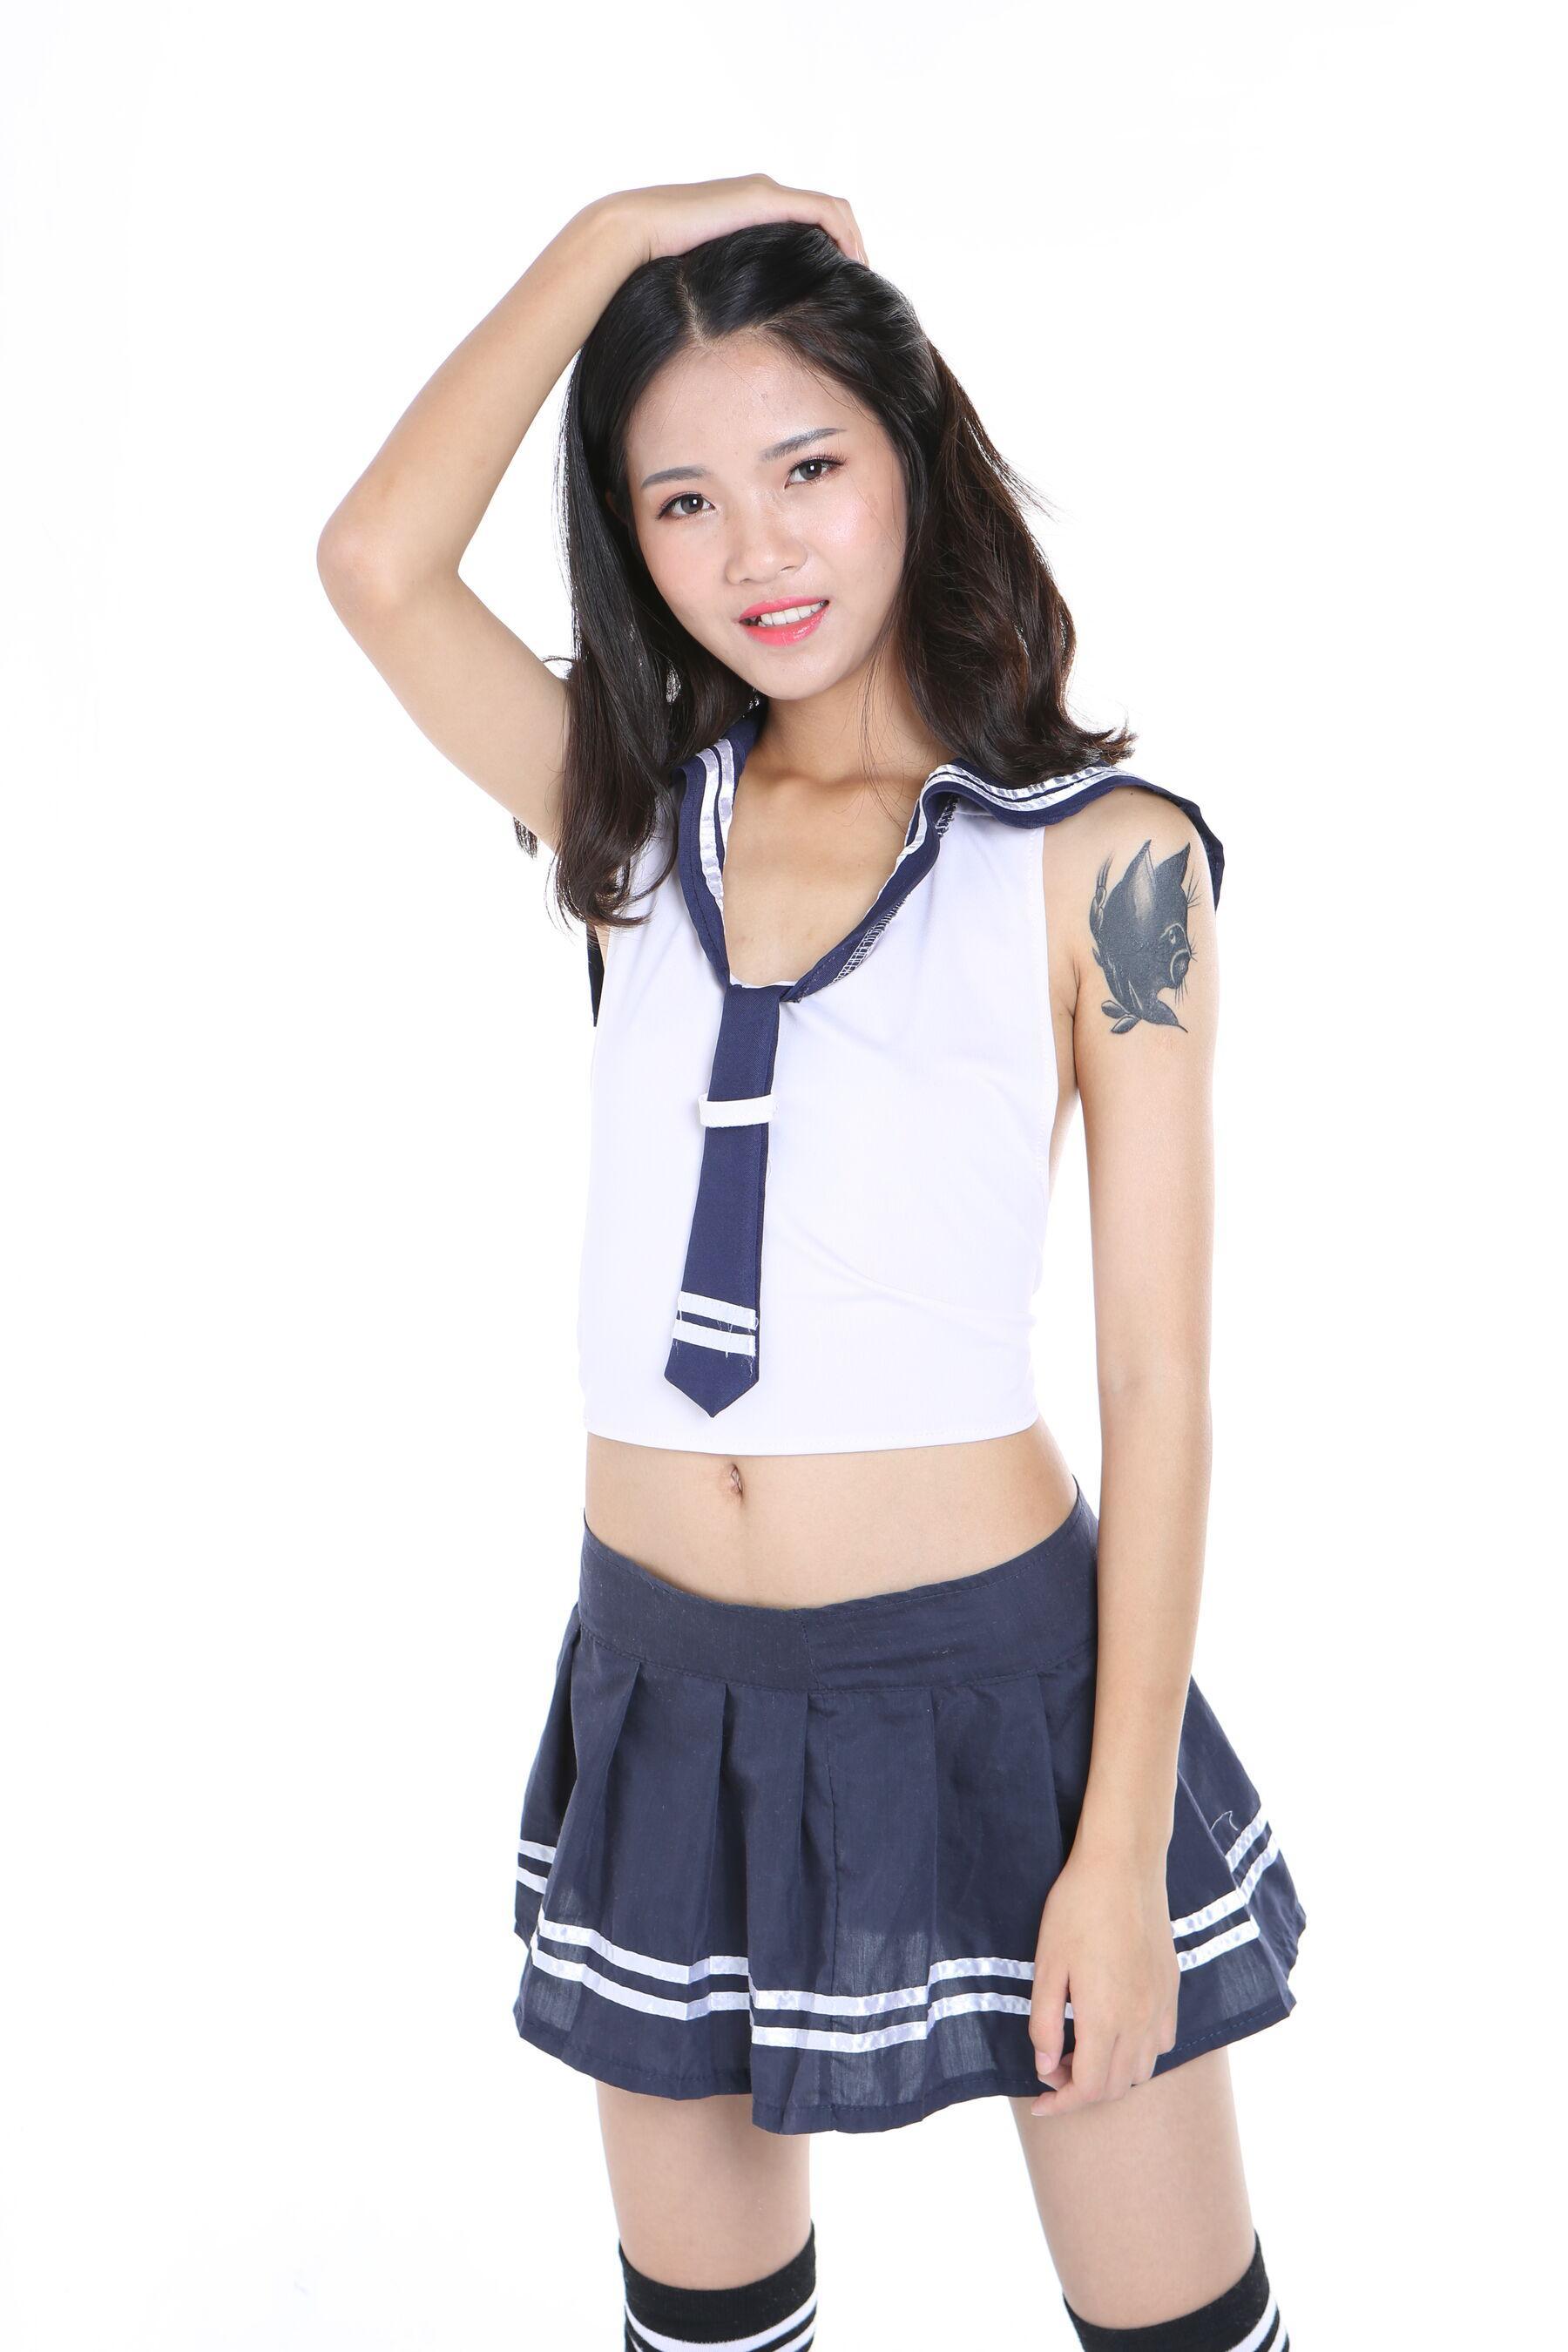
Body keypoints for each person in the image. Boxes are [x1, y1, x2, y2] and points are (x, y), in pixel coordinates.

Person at [318, 173, 1306, 2352]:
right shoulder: (627, 817)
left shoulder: (1110, 868)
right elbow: (377, 564)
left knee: (1177, 2326)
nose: (757, 550)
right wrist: (615, 238)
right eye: (680, 501)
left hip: (1008, 1697)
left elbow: (1159, 1384)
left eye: (806, 469)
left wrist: (1117, 1846)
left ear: (913, 456)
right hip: (663, 1688)